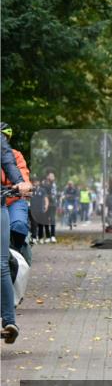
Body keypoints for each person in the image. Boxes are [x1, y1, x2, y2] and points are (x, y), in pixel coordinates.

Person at [2, 130, 31, 343]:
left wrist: (21, 183)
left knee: (1, 263)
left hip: (8, 201)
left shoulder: (11, 153)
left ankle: (8, 320)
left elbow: (12, 166)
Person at [0, 123, 31, 262]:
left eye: (4, 138)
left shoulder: (15, 155)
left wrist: (23, 184)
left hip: (13, 200)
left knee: (18, 224)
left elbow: (22, 172)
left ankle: (17, 256)